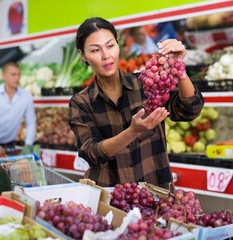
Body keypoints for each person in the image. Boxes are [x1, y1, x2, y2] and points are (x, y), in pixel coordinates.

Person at [68, 17, 204, 190]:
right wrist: (132, 132)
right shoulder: (81, 103)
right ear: (83, 55)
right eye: (95, 50)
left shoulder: (145, 83)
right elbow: (92, 154)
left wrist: (179, 68)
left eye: (110, 46)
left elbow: (189, 110)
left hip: (156, 193)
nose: (106, 56)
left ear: (118, 46)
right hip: (111, 199)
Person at [0, 62, 36, 156]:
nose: (17, 78)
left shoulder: (26, 96)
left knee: (8, 171)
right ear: (3, 76)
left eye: (19, 74)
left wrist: (28, 144)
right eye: (13, 74)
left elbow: (31, 122)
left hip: (9, 148)